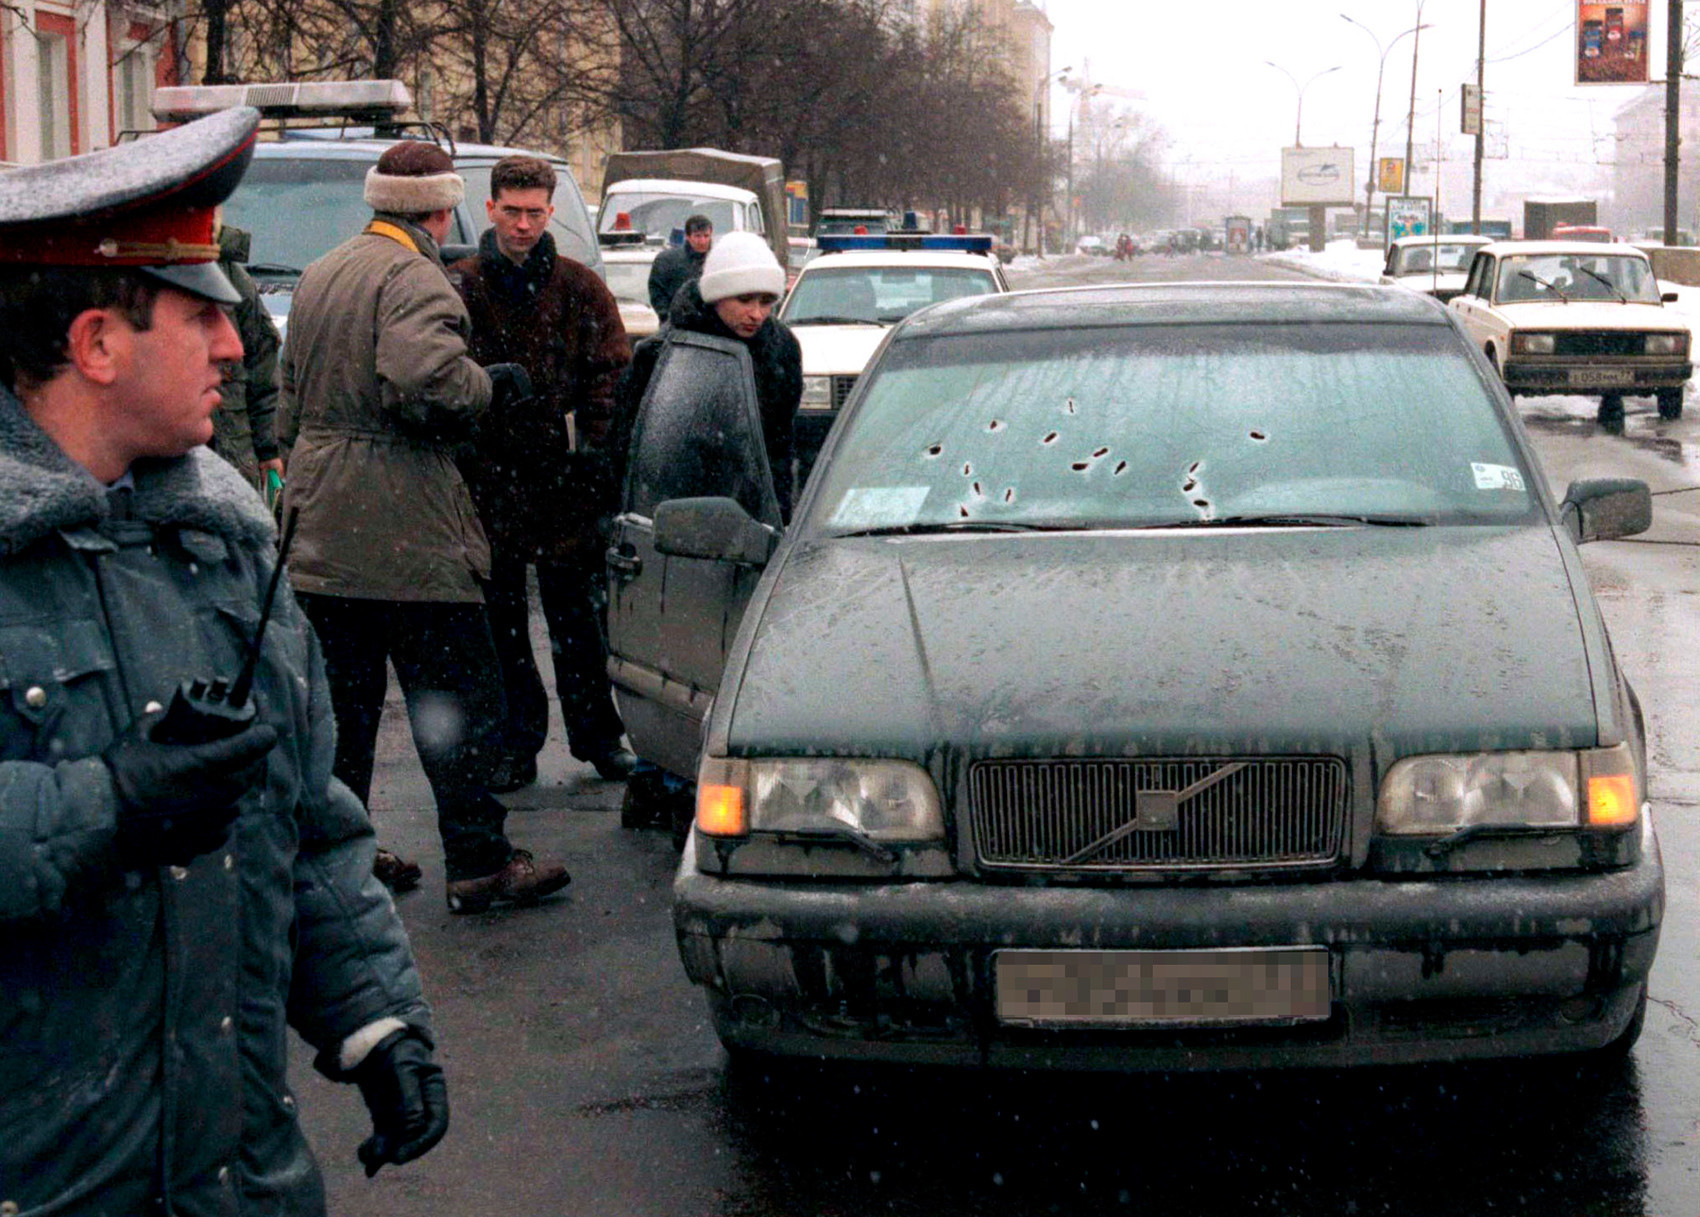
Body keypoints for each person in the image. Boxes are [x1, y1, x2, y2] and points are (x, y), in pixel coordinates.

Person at [0, 107, 448, 1214]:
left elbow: (306, 821)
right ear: (97, 342)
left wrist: (371, 1016)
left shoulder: (222, 543)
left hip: (235, 1179)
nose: (238, 345)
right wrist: (103, 803)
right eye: (202, 315)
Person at [279, 139, 571, 913]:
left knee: (343, 705)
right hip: (404, 523)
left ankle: (342, 855)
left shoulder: (323, 270)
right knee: (458, 699)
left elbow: (289, 399)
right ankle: (479, 859)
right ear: (443, 209)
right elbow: (423, 383)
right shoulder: (417, 276)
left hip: (319, 521)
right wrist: (487, 385)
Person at [449, 155, 637, 791]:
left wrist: (595, 454)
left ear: (551, 212)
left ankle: (598, 736)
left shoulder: (580, 287)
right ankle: (515, 741)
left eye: (535, 212)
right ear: (490, 208)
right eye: (512, 211)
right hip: (489, 473)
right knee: (499, 622)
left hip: (563, 474)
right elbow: (444, 375)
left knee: (576, 620)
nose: (523, 224)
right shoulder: (463, 286)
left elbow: (611, 374)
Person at [613, 231, 802, 829]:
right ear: (716, 294)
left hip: (747, 522)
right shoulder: (665, 353)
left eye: (766, 301)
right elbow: (631, 442)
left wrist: (778, 519)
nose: (755, 313)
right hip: (673, 522)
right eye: (743, 299)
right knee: (673, 654)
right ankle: (658, 775)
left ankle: (686, 776)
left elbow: (777, 447)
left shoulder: (780, 351)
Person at [207, 216, 286, 493]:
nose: (229, 346)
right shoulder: (137, 268)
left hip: (231, 461)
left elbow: (261, 364)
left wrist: (268, 449)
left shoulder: (230, 274)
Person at [647, 213, 713, 319]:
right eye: (697, 236)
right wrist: (668, 316)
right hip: (675, 326)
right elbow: (656, 291)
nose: (702, 241)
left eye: (706, 236)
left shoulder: (717, 260)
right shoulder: (668, 260)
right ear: (687, 236)